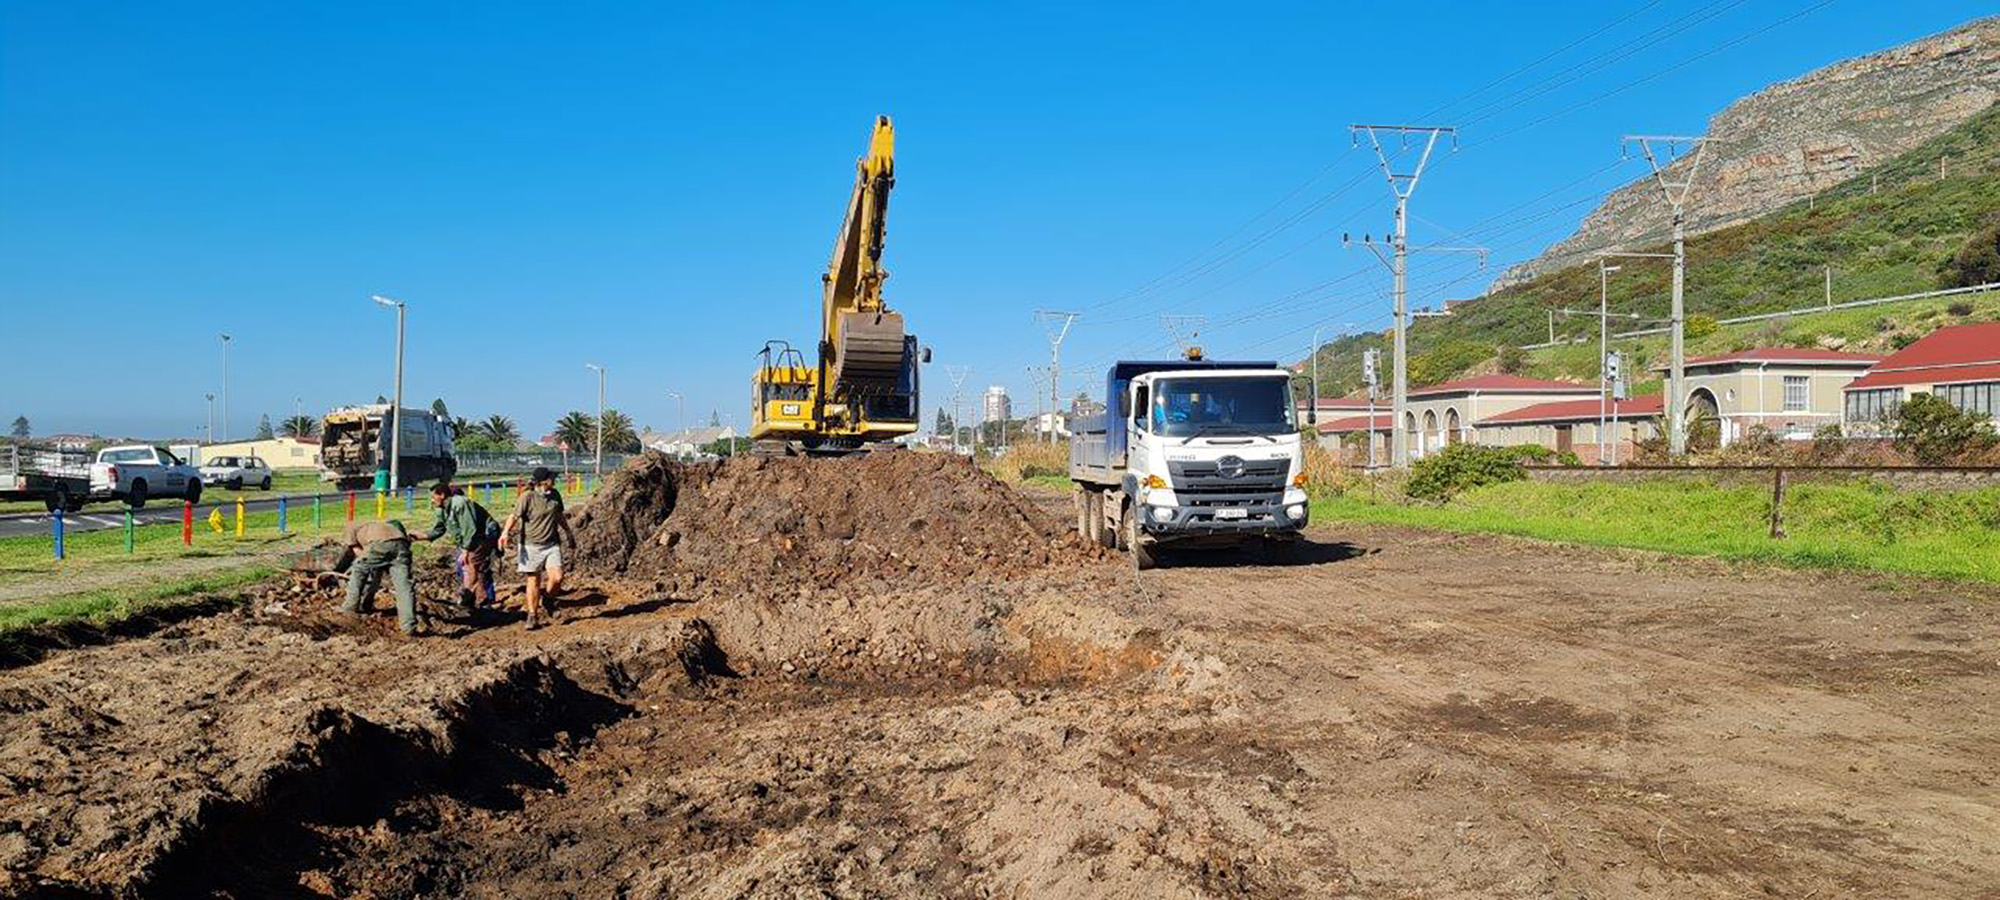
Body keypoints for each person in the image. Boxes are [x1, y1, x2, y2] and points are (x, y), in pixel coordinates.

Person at [500, 467, 574, 630]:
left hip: (552, 543)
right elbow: (514, 516)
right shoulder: (527, 496)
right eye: (552, 478)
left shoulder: (555, 495)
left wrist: (568, 532)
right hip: (531, 545)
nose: (554, 480)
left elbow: (559, 515)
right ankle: (532, 615)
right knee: (534, 580)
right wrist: (505, 533)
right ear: (544, 481)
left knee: (557, 577)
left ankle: (548, 600)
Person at [414, 482, 500, 610]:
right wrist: (417, 537)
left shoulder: (460, 503)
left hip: (482, 536)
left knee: (470, 564)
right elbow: (439, 530)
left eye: (433, 497)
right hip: (469, 541)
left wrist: (465, 550)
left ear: (442, 495)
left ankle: (473, 600)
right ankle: (478, 599)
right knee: (466, 567)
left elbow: (470, 528)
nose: (432, 500)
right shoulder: (442, 510)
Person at [334, 519, 422, 636]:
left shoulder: (350, 527)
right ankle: (408, 626)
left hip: (380, 544)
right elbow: (376, 567)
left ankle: (349, 607)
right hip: (402, 543)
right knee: (404, 587)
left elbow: (358, 552)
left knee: (358, 569)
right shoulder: (372, 526)